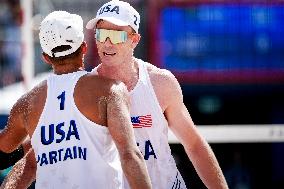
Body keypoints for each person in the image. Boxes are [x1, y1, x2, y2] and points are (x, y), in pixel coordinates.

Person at [2, 0, 229, 188]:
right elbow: (38, 156)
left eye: (117, 35)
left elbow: (194, 146)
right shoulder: (87, 92)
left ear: (134, 40)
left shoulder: (160, 83)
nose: (107, 42)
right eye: (101, 34)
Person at [0, 10, 151, 189]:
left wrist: (33, 144)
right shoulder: (110, 90)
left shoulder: (27, 104)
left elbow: (8, 154)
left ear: (46, 58)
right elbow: (129, 155)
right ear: (84, 48)